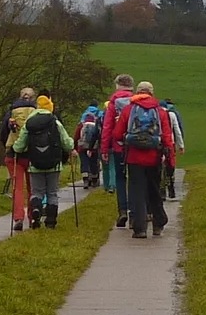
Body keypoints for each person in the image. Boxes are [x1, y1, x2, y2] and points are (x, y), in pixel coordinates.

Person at [112, 81, 174, 238]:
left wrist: (127, 139)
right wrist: (170, 160)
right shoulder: (160, 111)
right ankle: (158, 223)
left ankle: (139, 228)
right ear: (152, 93)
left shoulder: (128, 110)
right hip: (154, 157)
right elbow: (167, 137)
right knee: (154, 189)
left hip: (134, 158)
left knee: (137, 191)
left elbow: (117, 134)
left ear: (137, 93)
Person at [11, 95, 75, 229]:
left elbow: (19, 146)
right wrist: (72, 145)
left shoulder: (30, 123)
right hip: (54, 164)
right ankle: (51, 221)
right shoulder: (55, 122)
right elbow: (67, 144)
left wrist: (15, 148)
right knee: (52, 193)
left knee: (37, 192)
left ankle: (36, 211)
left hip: (35, 164)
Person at [0, 87, 37, 231]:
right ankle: (33, 216)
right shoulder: (37, 112)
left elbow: (3, 133)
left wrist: (9, 147)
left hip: (14, 154)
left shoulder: (12, 112)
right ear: (33, 98)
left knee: (18, 188)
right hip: (33, 154)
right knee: (33, 187)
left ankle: (18, 218)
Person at [100, 74, 135, 228]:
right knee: (134, 179)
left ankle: (122, 211)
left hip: (118, 146)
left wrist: (104, 149)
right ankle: (135, 212)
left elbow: (107, 127)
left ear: (117, 85)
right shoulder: (136, 101)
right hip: (134, 146)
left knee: (120, 179)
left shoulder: (113, 103)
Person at [74, 102, 102, 188]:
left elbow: (76, 137)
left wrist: (75, 147)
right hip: (93, 147)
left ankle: (86, 180)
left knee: (84, 162)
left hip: (82, 147)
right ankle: (94, 180)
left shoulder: (82, 123)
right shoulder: (97, 121)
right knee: (94, 162)